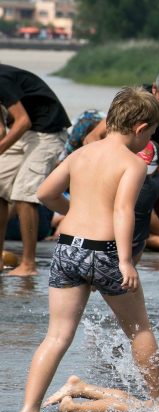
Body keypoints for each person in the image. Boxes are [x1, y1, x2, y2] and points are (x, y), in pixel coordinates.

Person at [15, 87, 159, 412]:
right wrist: (126, 261)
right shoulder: (133, 163)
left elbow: (44, 193)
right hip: (107, 252)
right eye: (153, 133)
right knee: (140, 330)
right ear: (141, 128)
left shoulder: (81, 154)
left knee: (56, 336)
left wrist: (74, 210)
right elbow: (123, 210)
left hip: (68, 248)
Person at [85, 69, 159, 316]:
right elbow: (92, 138)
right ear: (154, 89)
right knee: (129, 237)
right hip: (123, 166)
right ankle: (115, 296)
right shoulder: (134, 100)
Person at [0, 63, 70, 276]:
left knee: (23, 194)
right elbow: (2, 129)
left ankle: (28, 264)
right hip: (25, 133)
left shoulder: (1, 80)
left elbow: (22, 120)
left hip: (48, 133)